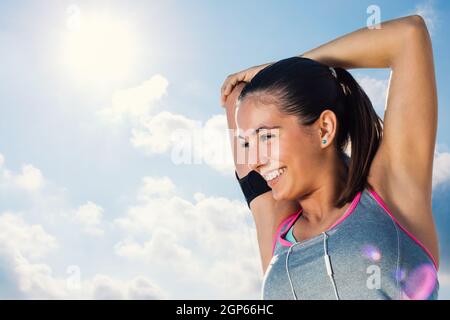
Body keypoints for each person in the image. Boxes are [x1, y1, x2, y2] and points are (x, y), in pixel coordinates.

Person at [220, 15, 439, 300]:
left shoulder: (391, 192)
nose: (254, 161)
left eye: (266, 136)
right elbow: (234, 92)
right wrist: (288, 74)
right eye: (247, 143)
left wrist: (299, 67)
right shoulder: (277, 227)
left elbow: (408, 35)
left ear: (324, 128)